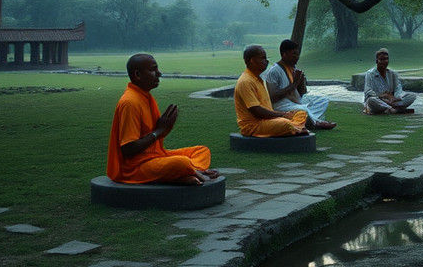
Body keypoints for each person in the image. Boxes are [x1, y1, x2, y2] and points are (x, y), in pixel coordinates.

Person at [106, 54, 219, 185]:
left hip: (155, 157)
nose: (159, 74)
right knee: (181, 162)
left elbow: (154, 136)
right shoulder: (130, 102)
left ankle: (185, 173)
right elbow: (128, 149)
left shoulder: (144, 97)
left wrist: (164, 129)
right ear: (137, 74)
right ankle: (189, 172)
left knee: (202, 151)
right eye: (153, 70)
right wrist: (159, 131)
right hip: (134, 168)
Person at [234, 44, 308, 136]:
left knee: (301, 113)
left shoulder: (258, 79)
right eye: (263, 58)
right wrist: (282, 115)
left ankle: (295, 128)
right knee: (285, 123)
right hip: (254, 125)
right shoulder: (245, 81)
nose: (267, 61)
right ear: (252, 60)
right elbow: (257, 111)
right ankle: (295, 127)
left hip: (269, 120)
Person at [264, 39, 336, 131]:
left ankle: (308, 119)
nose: (297, 57)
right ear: (284, 54)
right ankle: (315, 123)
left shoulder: (293, 69)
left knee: (322, 101)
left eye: (297, 54)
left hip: (296, 102)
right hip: (281, 105)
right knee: (303, 110)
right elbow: (273, 97)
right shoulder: (274, 71)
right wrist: (294, 84)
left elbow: (302, 93)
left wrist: (301, 82)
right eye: (294, 54)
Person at [364, 48, 417, 114]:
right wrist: (382, 96)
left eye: (386, 59)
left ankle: (390, 109)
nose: (384, 61)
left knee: (412, 96)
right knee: (371, 100)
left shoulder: (392, 73)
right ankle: (393, 109)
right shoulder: (370, 74)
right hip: (378, 100)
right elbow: (368, 91)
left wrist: (395, 98)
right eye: (381, 59)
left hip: (392, 101)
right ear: (377, 61)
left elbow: (398, 88)